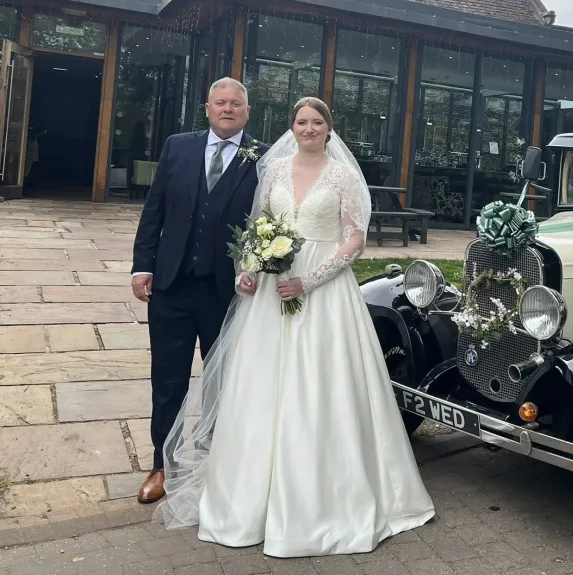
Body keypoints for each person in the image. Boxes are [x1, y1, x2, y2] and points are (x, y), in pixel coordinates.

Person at [152, 96, 435, 558]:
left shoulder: (343, 175)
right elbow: (258, 225)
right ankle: (248, 498)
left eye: (316, 122)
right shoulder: (275, 169)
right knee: (260, 386)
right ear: (293, 127)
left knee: (319, 387)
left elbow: (355, 240)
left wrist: (310, 280)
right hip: (271, 292)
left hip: (323, 292)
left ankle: (320, 500)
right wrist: (248, 266)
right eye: (301, 121)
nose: (308, 128)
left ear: (329, 128)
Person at [130, 77, 269, 504]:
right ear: (207, 108)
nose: (227, 109)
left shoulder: (264, 159)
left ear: (247, 112)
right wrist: (141, 266)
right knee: (167, 380)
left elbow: (271, 222)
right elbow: (154, 210)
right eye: (220, 102)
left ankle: (216, 464)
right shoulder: (178, 146)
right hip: (170, 287)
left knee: (223, 381)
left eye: (236, 104)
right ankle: (162, 465)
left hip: (224, 293)